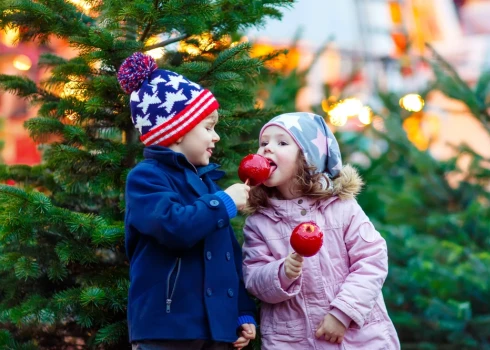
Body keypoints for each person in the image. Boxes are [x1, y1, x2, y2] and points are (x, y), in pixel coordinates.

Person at [118, 52, 256, 350]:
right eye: (208, 127)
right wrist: (223, 203)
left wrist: (241, 311)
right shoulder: (146, 178)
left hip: (214, 330)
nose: (216, 136)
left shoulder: (206, 183)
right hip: (167, 329)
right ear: (177, 131)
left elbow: (227, 254)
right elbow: (173, 226)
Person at [242, 112, 400, 349]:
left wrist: (342, 314)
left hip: (357, 339)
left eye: (281, 143)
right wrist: (281, 273)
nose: (267, 149)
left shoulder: (341, 208)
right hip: (294, 341)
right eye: (263, 143)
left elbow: (372, 259)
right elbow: (253, 279)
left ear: (308, 158)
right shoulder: (259, 222)